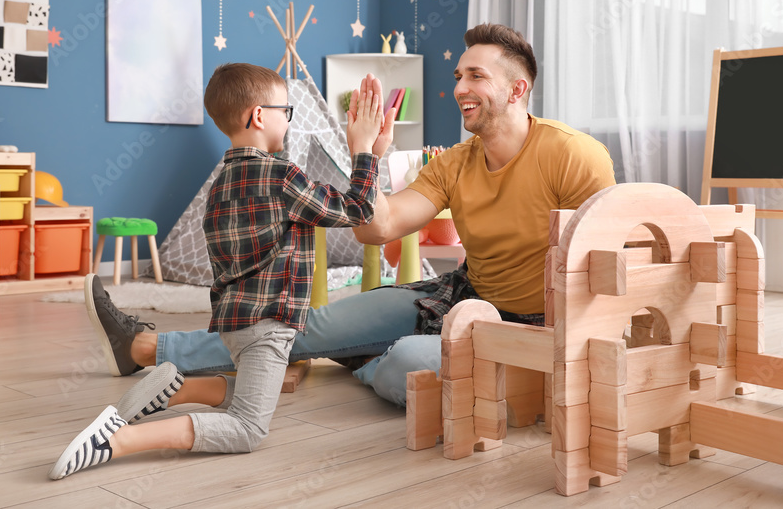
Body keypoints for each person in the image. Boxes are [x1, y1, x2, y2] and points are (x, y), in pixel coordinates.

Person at [86, 23, 617, 409]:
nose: (458, 88)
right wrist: (369, 153)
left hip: (532, 324)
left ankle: (365, 361)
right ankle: (145, 347)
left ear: (517, 89)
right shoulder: (455, 163)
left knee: (409, 362)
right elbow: (375, 227)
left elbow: (604, 262)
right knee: (305, 323)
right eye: (459, 75)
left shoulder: (574, 155)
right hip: (458, 296)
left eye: (475, 76)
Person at [50, 62, 389, 479]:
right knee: (248, 427)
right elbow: (358, 209)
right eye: (287, 110)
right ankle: (116, 441)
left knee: (249, 396)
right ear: (260, 115)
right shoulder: (282, 177)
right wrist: (365, 151)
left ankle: (179, 388)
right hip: (267, 326)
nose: (289, 120)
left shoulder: (223, 182)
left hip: (232, 323)